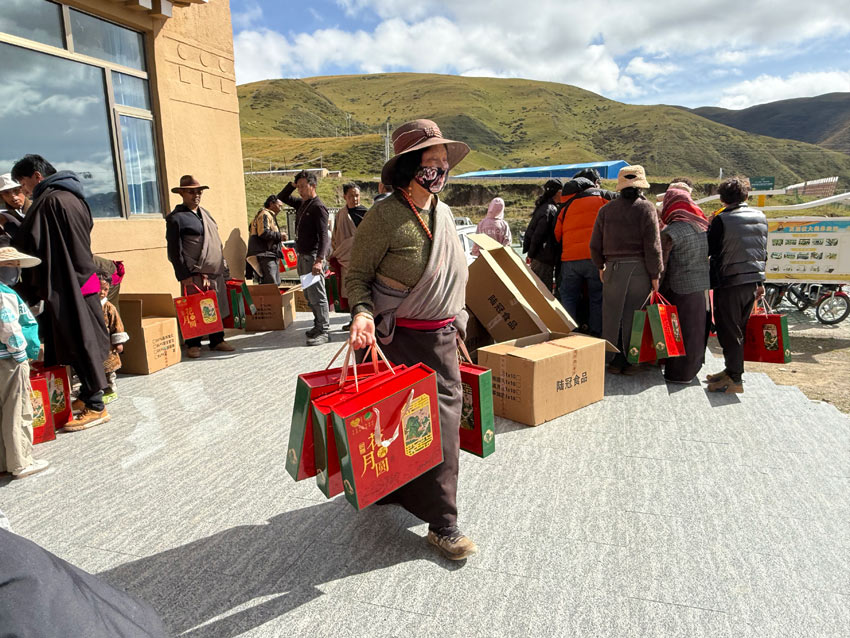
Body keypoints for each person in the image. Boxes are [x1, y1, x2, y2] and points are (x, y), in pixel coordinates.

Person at [346, 119, 477, 561]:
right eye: (431, 161)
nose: (440, 169)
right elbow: (357, 277)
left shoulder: (443, 213)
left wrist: (457, 322)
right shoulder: (385, 215)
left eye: (444, 162)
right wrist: (362, 313)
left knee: (441, 430)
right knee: (396, 426)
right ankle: (411, 505)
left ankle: (442, 521)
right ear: (409, 167)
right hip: (395, 342)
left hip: (441, 340)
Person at [11, 154, 111, 430]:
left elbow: (30, 241)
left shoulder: (49, 200)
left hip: (67, 282)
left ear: (37, 176)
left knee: (78, 341)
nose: (25, 191)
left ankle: (96, 406)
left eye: (23, 183)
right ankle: (89, 395)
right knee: (82, 339)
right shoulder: (76, 198)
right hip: (84, 277)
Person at [590, 165, 662, 374]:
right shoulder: (646, 208)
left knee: (611, 315)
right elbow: (653, 246)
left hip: (612, 267)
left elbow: (595, 243)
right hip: (639, 269)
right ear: (641, 186)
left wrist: (600, 265)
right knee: (634, 316)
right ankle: (632, 362)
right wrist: (655, 274)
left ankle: (613, 360)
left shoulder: (606, 210)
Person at [706, 177, 768, 393]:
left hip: (730, 281)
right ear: (746, 196)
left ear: (722, 198)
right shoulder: (760, 216)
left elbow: (709, 249)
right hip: (751, 281)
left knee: (728, 330)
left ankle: (735, 378)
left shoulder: (722, 219)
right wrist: (761, 281)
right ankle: (731, 370)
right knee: (738, 328)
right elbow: (761, 251)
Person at [165, 175, 235, 359]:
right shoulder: (176, 219)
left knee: (215, 306)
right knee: (194, 309)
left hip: (214, 272)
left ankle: (217, 340)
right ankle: (193, 344)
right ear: (181, 193)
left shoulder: (206, 214)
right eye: (191, 191)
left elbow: (216, 242)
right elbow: (174, 250)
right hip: (194, 273)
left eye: (199, 191)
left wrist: (223, 266)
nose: (196, 195)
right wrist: (183, 275)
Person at [0, 246, 49, 479]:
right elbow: (9, 327)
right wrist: (22, 355)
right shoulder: (4, 294)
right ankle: (21, 461)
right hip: (9, 359)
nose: (15, 271)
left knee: (2, 411)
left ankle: (5, 460)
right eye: (11, 266)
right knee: (16, 409)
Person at [554, 168, 617, 336]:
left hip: (569, 259)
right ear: (594, 182)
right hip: (594, 258)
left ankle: (569, 332)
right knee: (596, 297)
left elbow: (557, 233)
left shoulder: (568, 204)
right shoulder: (604, 197)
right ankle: (595, 333)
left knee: (568, 296)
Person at [658, 187, 711, 384]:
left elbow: (662, 265)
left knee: (677, 331)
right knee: (695, 330)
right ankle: (691, 370)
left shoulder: (670, 232)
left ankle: (677, 373)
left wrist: (655, 287)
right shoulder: (702, 227)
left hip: (677, 287)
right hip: (700, 287)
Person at [278, 170, 330, 346]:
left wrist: (319, 260)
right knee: (309, 294)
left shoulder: (318, 207)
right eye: (298, 187)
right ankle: (317, 324)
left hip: (313, 257)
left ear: (313, 185)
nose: (299, 190)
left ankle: (324, 330)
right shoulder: (302, 204)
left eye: (303, 186)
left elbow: (324, 236)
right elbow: (282, 196)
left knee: (318, 294)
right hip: (303, 258)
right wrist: (292, 184)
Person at [330, 182, 367, 331]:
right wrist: (338, 253)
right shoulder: (340, 215)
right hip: (345, 260)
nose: (355, 199)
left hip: (363, 260)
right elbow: (335, 237)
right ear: (345, 197)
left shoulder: (366, 213)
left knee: (364, 291)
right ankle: (354, 319)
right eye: (351, 196)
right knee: (349, 292)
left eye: (357, 195)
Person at [523, 179, 562, 294]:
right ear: (557, 192)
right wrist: (531, 254)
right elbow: (538, 235)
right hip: (543, 258)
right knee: (542, 292)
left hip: (540, 256)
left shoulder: (545, 207)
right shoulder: (550, 209)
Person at [99, 274, 128, 404]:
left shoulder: (109, 307)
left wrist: (119, 342)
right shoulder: (89, 305)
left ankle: (111, 390)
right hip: (96, 345)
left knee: (109, 370)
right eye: (100, 288)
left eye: (105, 289)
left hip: (108, 346)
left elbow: (117, 325)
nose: (102, 292)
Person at [247, 194, 287, 285]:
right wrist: (279, 236)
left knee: (275, 283)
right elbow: (263, 232)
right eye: (279, 205)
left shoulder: (268, 215)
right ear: (271, 204)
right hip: (265, 254)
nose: (281, 208)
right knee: (270, 284)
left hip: (270, 254)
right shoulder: (264, 214)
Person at [0, 174, 29, 240]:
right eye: (6, 193)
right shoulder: (3, 217)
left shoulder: (39, 209)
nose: (13, 196)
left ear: (24, 190)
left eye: (16, 190)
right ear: (2, 197)